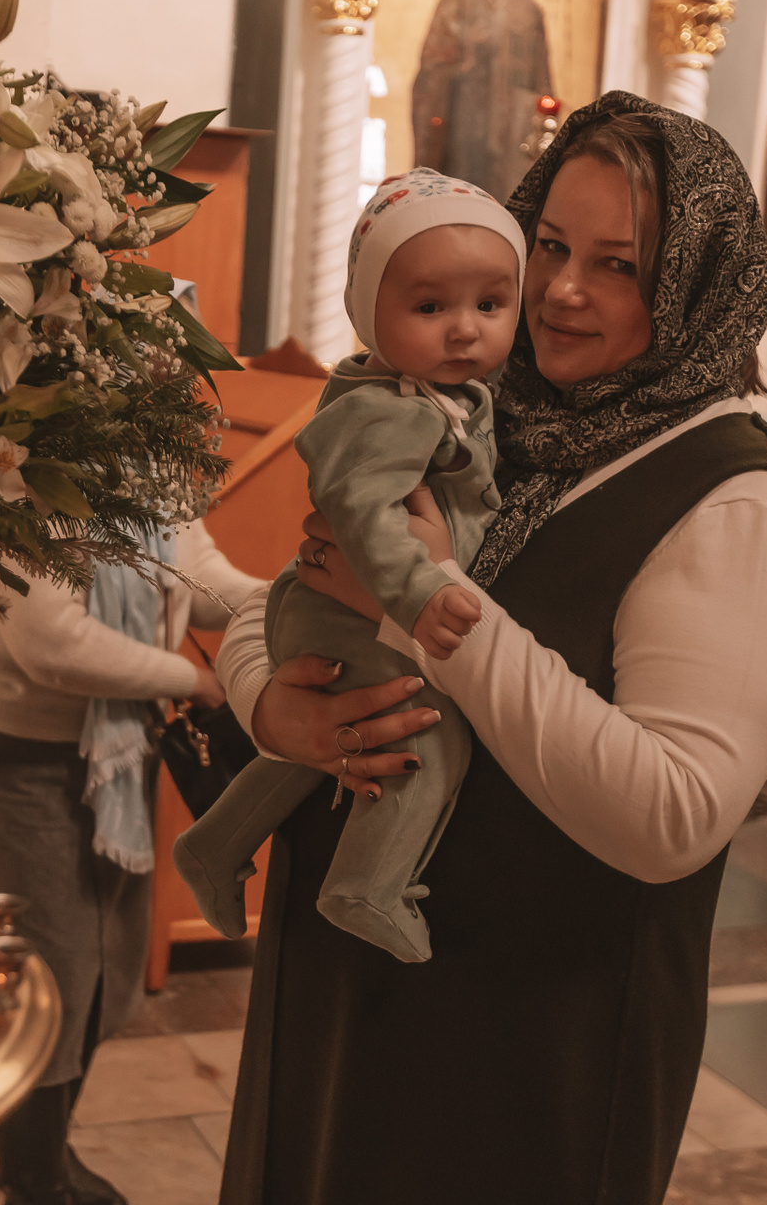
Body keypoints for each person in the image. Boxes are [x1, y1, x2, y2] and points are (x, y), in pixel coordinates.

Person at [214, 92, 767, 1204]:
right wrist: (275, 707)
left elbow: (673, 816)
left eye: (619, 265)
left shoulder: (741, 502)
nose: (559, 290)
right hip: (358, 994)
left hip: (525, 1045)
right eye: (548, 244)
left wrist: (430, 614)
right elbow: (295, 590)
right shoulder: (484, 412)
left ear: (696, 283)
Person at [173, 169, 525, 963]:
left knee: (332, 739)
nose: (464, 330)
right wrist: (422, 589)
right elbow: (362, 510)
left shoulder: (444, 394)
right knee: (430, 741)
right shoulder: (385, 406)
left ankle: (214, 844)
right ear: (369, 310)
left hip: (345, 608)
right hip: (356, 608)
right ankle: (366, 884)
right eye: (430, 308)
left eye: (490, 304)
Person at [0, 519, 263, 1205]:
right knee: (44, 976)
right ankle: (34, 1180)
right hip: (24, 756)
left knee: (105, 967)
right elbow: (51, 644)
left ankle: (44, 1155)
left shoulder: (144, 467)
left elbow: (192, 573)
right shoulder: (16, 476)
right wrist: (194, 679)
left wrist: (294, 596)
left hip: (122, 747)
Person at [412, 0, 556, 201]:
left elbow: (542, 83)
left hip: (511, 140)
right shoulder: (452, 5)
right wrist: (465, 60)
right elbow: (428, 77)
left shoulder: (527, 10)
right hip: (460, 137)